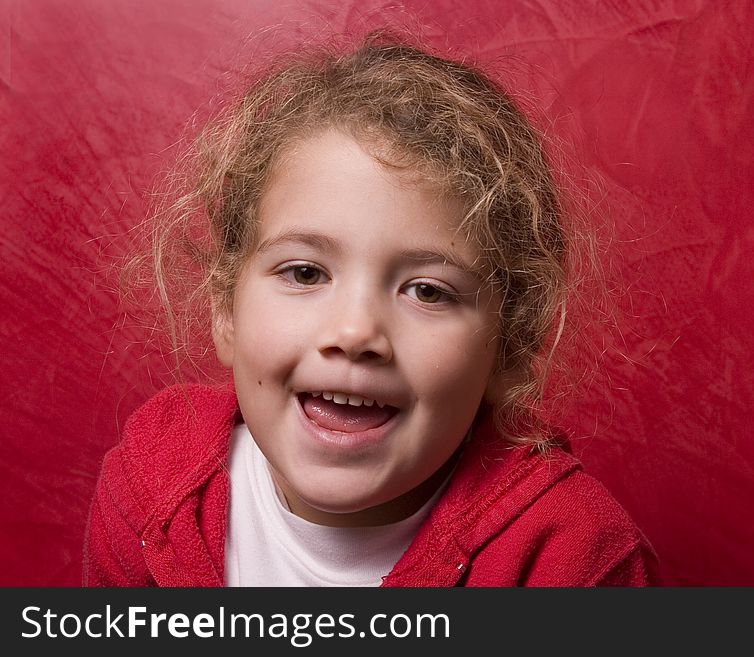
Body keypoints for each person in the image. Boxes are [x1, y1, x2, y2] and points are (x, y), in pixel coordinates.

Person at [83, 31, 657, 587]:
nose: (355, 332)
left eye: (427, 291)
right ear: (225, 311)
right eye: (305, 273)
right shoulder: (153, 483)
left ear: (509, 346)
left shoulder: (571, 557)